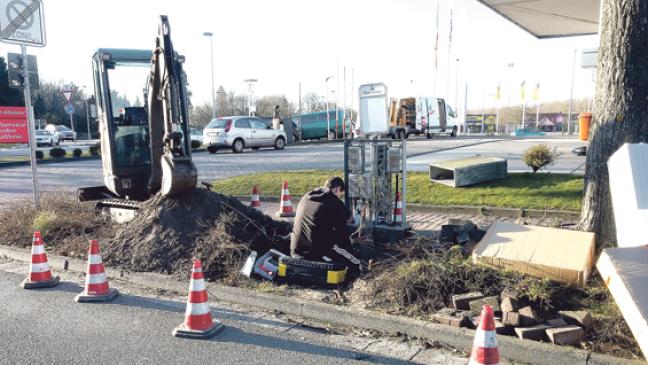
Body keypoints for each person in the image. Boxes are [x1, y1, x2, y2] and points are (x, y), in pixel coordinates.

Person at [290, 177, 363, 275]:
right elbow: (343, 236)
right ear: (337, 189)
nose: (340, 196)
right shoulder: (335, 203)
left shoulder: (307, 196)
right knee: (355, 259)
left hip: (296, 249)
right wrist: (351, 249)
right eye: (341, 192)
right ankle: (360, 269)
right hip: (315, 252)